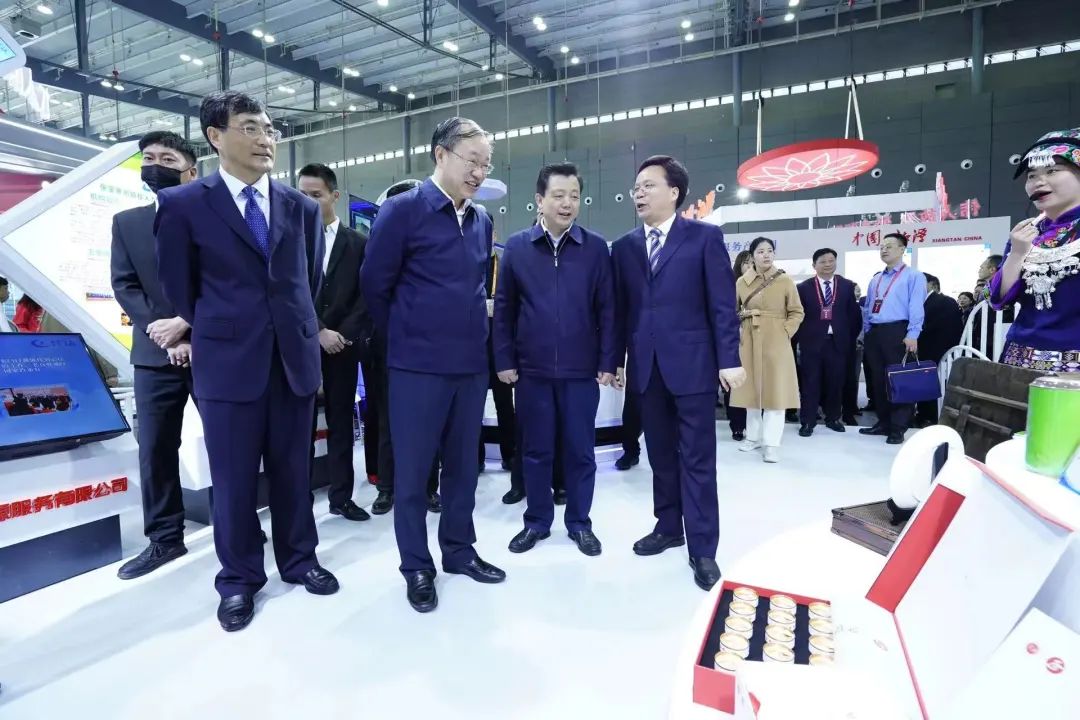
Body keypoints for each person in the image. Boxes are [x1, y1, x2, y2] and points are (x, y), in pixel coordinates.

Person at [155, 91, 338, 632]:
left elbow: (308, 281)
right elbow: (180, 289)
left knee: (294, 472)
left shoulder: (301, 207)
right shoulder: (184, 205)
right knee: (233, 480)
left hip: (293, 361)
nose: (265, 140)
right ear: (216, 136)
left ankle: (299, 559)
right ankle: (238, 579)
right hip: (228, 362)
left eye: (270, 129)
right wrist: (228, 326)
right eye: (251, 128)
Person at [361, 116, 506, 614]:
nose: (479, 172)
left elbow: (475, 286)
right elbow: (375, 285)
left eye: (486, 164)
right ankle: (416, 566)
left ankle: (459, 551)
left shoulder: (481, 220)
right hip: (416, 368)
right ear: (441, 154)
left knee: (463, 468)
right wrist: (408, 336)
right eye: (472, 161)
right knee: (414, 472)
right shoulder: (402, 211)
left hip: (470, 366)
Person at [611, 155, 744, 591]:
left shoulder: (704, 238)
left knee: (698, 460)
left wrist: (729, 359)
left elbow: (722, 305)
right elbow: (620, 311)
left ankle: (703, 548)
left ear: (674, 192)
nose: (639, 193)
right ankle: (669, 526)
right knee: (660, 456)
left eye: (648, 185)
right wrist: (613, 359)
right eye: (636, 187)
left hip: (693, 367)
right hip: (646, 368)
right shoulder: (625, 247)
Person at [494, 162, 616, 556]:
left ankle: (579, 523)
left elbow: (607, 309)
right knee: (535, 451)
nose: (567, 203)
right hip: (533, 371)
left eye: (574, 196)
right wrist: (504, 359)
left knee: (580, 451)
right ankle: (537, 522)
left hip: (581, 371)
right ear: (539, 200)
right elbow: (505, 308)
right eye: (559, 195)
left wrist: (608, 361)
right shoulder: (517, 247)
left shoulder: (594, 248)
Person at [110, 131, 200, 580]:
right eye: (148, 158)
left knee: (232, 444)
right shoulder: (126, 223)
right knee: (156, 449)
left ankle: (240, 524)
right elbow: (124, 284)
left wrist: (187, 325)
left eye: (167, 158)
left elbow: (227, 282)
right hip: (153, 354)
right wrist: (164, 332)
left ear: (191, 171)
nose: (156, 166)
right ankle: (165, 538)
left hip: (210, 348)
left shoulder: (214, 221)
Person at [298, 163, 372, 522]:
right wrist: (318, 330)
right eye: (302, 195)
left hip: (343, 347)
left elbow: (366, 296)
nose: (308, 202)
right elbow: (287, 292)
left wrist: (340, 335)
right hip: (300, 346)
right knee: (299, 428)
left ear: (334, 196)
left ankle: (341, 497)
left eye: (316, 195)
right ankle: (297, 503)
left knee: (342, 424)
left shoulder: (358, 243)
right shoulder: (287, 240)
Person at [367, 179, 441, 517]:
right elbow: (373, 290)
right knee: (388, 419)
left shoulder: (433, 247)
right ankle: (387, 487)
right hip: (388, 345)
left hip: (429, 347)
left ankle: (429, 489)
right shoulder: (380, 245)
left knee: (430, 420)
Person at [991, 127, 1080, 373]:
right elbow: (998, 299)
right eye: (1031, 175)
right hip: (1019, 358)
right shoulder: (1026, 232)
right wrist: (1017, 253)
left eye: (1052, 171)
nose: (1038, 182)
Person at [730, 237, 804, 462]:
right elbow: (732, 312)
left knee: (776, 393)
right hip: (749, 339)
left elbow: (797, 312)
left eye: (769, 250)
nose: (766, 255)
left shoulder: (785, 280)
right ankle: (753, 437)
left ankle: (772, 443)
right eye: (761, 251)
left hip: (776, 341)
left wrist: (785, 331)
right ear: (752, 256)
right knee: (750, 392)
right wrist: (740, 331)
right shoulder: (741, 282)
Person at [859, 233, 927, 444]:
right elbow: (869, 307)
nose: (884, 250)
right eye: (881, 246)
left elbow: (916, 307)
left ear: (902, 249)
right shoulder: (876, 279)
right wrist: (867, 331)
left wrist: (913, 334)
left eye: (889, 246)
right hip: (875, 333)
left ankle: (898, 428)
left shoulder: (913, 276)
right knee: (878, 381)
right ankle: (883, 423)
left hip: (898, 332)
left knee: (899, 381)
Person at [793, 247, 860, 438]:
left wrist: (849, 339)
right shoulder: (803, 288)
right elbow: (798, 316)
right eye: (823, 261)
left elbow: (854, 316)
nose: (828, 264)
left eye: (831, 261)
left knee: (835, 382)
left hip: (837, 343)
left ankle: (833, 418)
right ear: (814, 265)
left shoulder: (846, 286)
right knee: (810, 383)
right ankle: (808, 421)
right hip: (812, 343)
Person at [914, 273, 963, 426]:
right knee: (922, 385)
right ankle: (922, 414)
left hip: (936, 351)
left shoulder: (944, 301)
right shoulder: (921, 302)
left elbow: (951, 329)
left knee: (931, 385)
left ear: (931, 284)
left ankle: (929, 417)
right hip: (923, 351)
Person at [723, 251, 753, 441]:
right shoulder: (730, 285)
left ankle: (755, 425)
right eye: (746, 263)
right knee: (734, 383)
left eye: (752, 263)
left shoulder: (764, 284)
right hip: (734, 340)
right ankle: (737, 425)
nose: (750, 267)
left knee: (755, 384)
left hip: (756, 340)